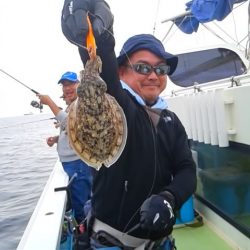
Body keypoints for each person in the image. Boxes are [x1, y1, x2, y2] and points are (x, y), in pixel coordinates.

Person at [61, 1, 197, 249]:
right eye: (143, 67)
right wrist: (96, 26)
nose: (154, 75)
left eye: (161, 68)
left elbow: (187, 169)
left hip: (160, 244)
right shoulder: (118, 102)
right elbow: (101, 66)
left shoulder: (171, 121)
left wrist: (169, 197)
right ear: (122, 72)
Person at [38, 71, 93, 224]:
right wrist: (57, 139)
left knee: (81, 204)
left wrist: (49, 102)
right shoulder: (71, 105)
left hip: (78, 164)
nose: (67, 88)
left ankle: (85, 236)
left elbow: (70, 122)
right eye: (64, 85)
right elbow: (72, 131)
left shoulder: (83, 102)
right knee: (82, 201)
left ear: (79, 85)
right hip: (72, 164)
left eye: (71, 84)